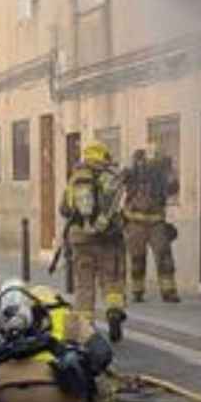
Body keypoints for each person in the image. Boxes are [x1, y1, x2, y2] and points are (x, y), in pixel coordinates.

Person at [58, 141, 129, 342]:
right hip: (108, 240)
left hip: (80, 240)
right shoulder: (110, 177)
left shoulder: (76, 178)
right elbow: (118, 209)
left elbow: (64, 209)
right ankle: (114, 312)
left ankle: (85, 328)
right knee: (112, 279)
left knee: (84, 284)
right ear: (103, 156)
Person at [121, 146, 181, 303]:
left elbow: (173, 188)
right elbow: (119, 182)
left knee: (164, 258)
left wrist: (170, 172)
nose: (146, 166)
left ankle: (168, 291)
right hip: (136, 224)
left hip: (156, 224)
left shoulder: (161, 174)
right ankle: (137, 291)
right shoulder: (132, 173)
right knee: (137, 259)